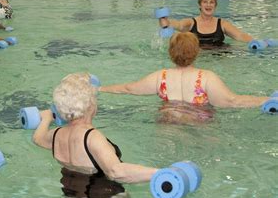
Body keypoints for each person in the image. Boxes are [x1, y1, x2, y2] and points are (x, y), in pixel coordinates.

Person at [33, 73, 158, 198]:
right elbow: (115, 171)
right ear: (90, 104)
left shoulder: (56, 134)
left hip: (72, 197)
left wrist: (46, 119)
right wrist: (158, 173)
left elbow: (38, 139)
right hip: (103, 197)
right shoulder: (92, 137)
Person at [100, 32, 270, 119]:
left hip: (168, 125)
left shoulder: (161, 77)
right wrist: (266, 99)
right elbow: (232, 101)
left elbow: (129, 88)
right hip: (199, 125)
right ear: (196, 52)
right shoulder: (206, 78)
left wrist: (100, 88)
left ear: (170, 52)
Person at [160, 0, 253, 47]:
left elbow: (240, 36)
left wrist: (255, 41)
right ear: (200, 5)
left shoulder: (222, 24)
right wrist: (166, 22)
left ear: (215, 5)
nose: (208, 5)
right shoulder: (191, 23)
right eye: (205, 2)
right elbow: (179, 25)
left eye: (211, 2)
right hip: (199, 58)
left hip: (220, 58)